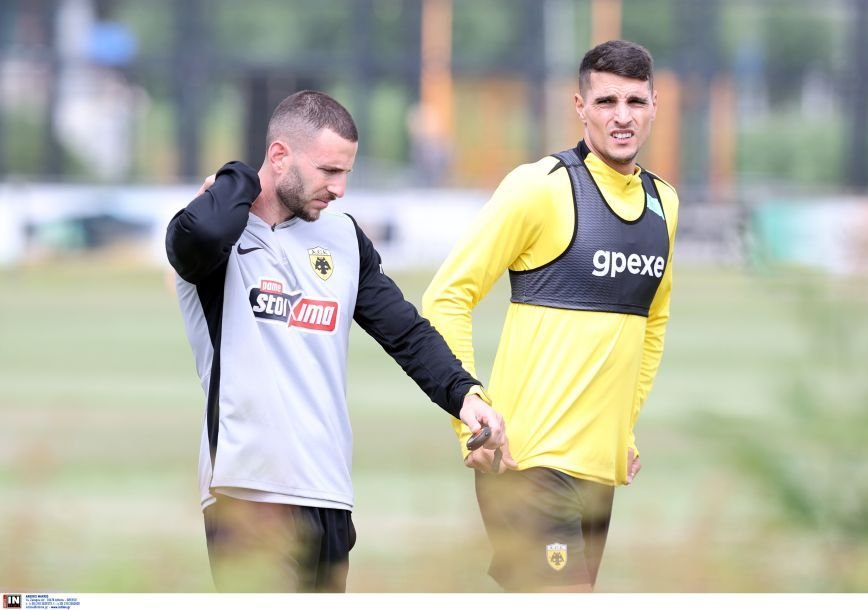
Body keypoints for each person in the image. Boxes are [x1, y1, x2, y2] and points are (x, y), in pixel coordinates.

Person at [165, 90, 514, 593]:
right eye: (329, 171)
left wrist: (466, 396)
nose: (340, 188)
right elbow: (197, 233)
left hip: (328, 494)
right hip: (247, 491)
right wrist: (236, 177)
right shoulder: (220, 240)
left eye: (346, 172)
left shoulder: (344, 239)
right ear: (279, 155)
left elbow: (406, 333)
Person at [422, 40, 679, 592]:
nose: (622, 116)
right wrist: (471, 421)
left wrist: (622, 429)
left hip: (598, 472)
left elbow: (652, 324)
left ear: (655, 105)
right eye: (606, 101)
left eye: (635, 101)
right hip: (526, 463)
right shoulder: (539, 187)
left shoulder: (665, 203)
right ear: (580, 107)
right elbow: (447, 296)